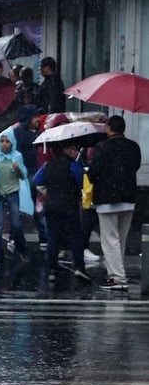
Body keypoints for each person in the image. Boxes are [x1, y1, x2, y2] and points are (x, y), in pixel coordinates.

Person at [87, 115, 142, 290]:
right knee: (121, 240)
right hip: (128, 198)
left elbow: (93, 173)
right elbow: (136, 166)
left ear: (110, 128)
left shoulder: (102, 147)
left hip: (107, 199)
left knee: (110, 240)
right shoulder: (133, 147)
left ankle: (117, 278)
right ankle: (118, 273)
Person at [32, 141, 90, 283]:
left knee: (53, 237)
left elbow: (36, 180)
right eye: (73, 148)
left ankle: (52, 269)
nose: (75, 151)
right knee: (75, 236)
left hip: (51, 205)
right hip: (69, 206)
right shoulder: (73, 165)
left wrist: (47, 190)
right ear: (64, 149)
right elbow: (82, 182)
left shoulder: (48, 165)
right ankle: (79, 268)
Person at [0, 127, 31, 264]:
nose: (4, 144)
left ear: (12, 143)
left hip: (13, 193)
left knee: (16, 224)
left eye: (8, 141)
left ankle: (22, 248)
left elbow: (23, 176)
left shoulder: (17, 156)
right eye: (2, 141)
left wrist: (18, 169)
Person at [12, 104, 48, 250]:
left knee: (36, 207)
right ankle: (17, 237)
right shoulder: (19, 132)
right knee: (26, 207)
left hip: (34, 172)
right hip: (24, 174)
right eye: (35, 116)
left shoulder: (36, 132)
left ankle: (43, 237)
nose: (38, 119)